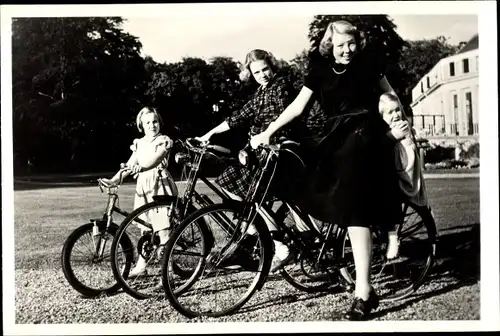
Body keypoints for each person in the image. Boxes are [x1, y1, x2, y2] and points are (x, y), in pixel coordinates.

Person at [250, 20, 408, 320]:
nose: (347, 50)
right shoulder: (319, 71)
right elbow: (297, 107)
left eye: (351, 43)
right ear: (329, 46)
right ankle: (328, 253)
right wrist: (268, 131)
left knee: (353, 209)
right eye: (340, 45)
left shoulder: (369, 66)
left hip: (364, 137)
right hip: (334, 138)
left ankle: (365, 291)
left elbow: (391, 97)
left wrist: (399, 121)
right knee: (300, 175)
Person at [197, 48, 306, 272]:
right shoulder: (260, 94)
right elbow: (236, 118)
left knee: (253, 192)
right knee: (229, 179)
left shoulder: (281, 87)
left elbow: (280, 118)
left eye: (265, 69)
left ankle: (278, 245)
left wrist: (258, 139)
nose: (263, 75)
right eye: (257, 72)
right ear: (251, 74)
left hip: (280, 151)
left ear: (272, 67)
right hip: (262, 153)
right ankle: (257, 233)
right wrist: (208, 135)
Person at [103, 107, 178, 277]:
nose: (152, 125)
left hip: (159, 188)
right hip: (144, 189)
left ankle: (168, 273)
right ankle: (141, 266)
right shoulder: (139, 143)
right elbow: (130, 165)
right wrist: (114, 179)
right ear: (141, 125)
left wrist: (141, 167)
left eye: (155, 121)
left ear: (159, 123)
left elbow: (155, 159)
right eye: (148, 122)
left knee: (163, 230)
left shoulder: (163, 141)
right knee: (145, 230)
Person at [378, 92, 429, 261]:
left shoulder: (402, 127)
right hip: (396, 170)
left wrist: (392, 137)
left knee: (389, 189)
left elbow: (406, 155)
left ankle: (393, 236)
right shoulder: (384, 130)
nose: (396, 115)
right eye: (390, 112)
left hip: (403, 174)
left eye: (397, 110)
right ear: (382, 115)